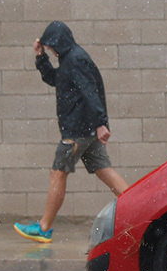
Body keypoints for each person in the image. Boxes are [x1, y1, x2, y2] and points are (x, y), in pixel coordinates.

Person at [14, 21, 129, 244]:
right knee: (105, 171)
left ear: (58, 42)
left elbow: (90, 91)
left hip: (77, 132)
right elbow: (56, 80)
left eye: (50, 47)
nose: (50, 50)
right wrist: (40, 58)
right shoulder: (71, 58)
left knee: (58, 173)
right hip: (86, 131)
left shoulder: (75, 59)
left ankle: (44, 228)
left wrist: (101, 123)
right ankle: (142, 211)